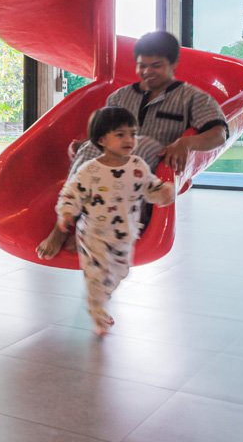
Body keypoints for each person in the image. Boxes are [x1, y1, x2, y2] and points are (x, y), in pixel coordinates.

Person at [37, 31, 228, 259]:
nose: (147, 72)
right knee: (92, 151)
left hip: (150, 166)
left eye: (156, 65)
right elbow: (106, 133)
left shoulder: (193, 98)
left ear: (173, 63)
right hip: (110, 166)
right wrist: (84, 143)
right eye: (142, 65)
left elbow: (220, 133)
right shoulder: (119, 97)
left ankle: (96, 231)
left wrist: (186, 142)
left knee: (136, 152)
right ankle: (66, 227)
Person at [57, 107, 177, 335]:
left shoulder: (137, 166)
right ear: (102, 139)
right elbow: (72, 193)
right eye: (120, 134)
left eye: (132, 134)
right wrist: (66, 213)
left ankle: (100, 300)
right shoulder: (91, 170)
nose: (129, 140)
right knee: (97, 276)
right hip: (94, 235)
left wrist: (163, 192)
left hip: (124, 233)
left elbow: (149, 188)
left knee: (119, 273)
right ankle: (98, 314)